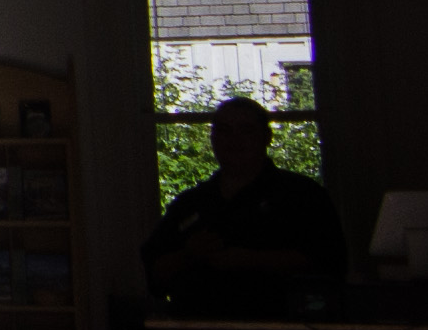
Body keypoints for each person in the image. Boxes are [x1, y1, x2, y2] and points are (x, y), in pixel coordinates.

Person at [144, 93, 353, 315]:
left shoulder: (302, 195)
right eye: (224, 131)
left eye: (246, 130)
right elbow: (154, 275)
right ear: (213, 138)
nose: (234, 140)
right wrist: (188, 255)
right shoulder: (190, 203)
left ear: (267, 137)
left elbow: (330, 264)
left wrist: (251, 260)